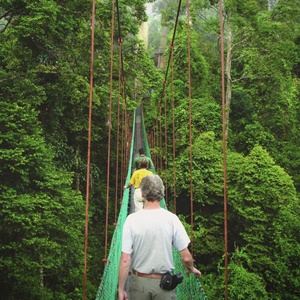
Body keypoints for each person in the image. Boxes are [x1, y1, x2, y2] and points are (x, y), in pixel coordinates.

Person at [118, 175, 201, 300]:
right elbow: (186, 257)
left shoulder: (131, 220)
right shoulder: (172, 219)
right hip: (165, 285)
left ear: (142, 194)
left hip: (138, 284)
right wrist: (191, 268)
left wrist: (121, 289)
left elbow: (125, 260)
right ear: (162, 194)